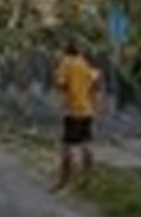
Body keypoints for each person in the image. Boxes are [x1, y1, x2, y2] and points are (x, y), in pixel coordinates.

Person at [52, 40, 101, 191]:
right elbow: (96, 84)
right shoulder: (86, 64)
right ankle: (89, 179)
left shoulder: (66, 63)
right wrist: (95, 106)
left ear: (66, 51)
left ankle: (64, 181)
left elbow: (61, 83)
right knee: (86, 144)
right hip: (87, 110)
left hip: (72, 110)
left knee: (67, 147)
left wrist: (63, 98)